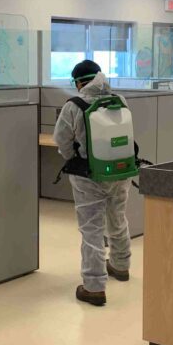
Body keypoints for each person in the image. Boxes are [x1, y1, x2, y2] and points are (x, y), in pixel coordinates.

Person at [53, 60, 132, 307]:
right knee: (117, 217)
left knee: (92, 229)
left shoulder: (74, 105)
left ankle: (94, 286)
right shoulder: (118, 99)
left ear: (78, 82)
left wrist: (73, 159)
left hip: (89, 176)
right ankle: (120, 265)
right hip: (121, 171)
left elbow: (61, 139)